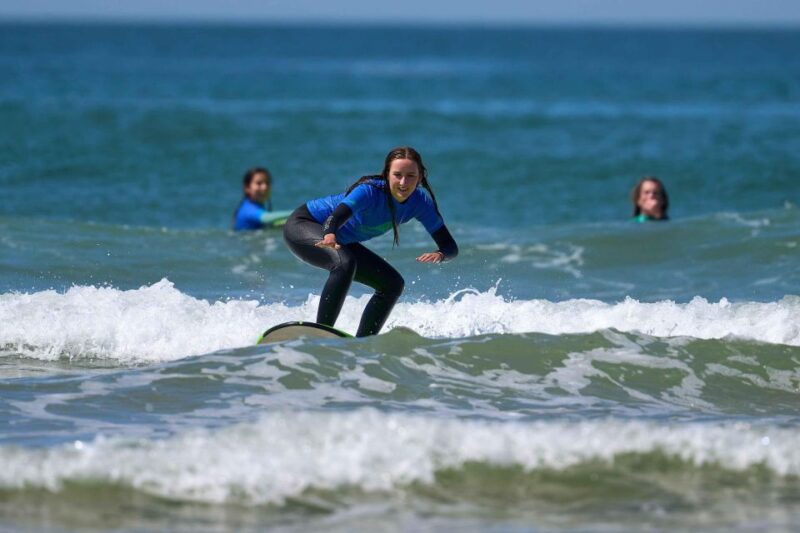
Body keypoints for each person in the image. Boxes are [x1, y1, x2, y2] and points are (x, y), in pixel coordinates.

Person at [282, 146, 458, 337]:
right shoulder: (369, 191)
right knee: (345, 263)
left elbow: (450, 247)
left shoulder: (420, 203)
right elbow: (337, 216)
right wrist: (330, 234)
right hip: (305, 224)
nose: (403, 182)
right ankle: (322, 332)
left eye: (411, 176)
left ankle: (363, 343)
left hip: (339, 239)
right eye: (397, 175)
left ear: (420, 177)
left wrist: (440, 254)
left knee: (392, 284)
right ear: (387, 174)